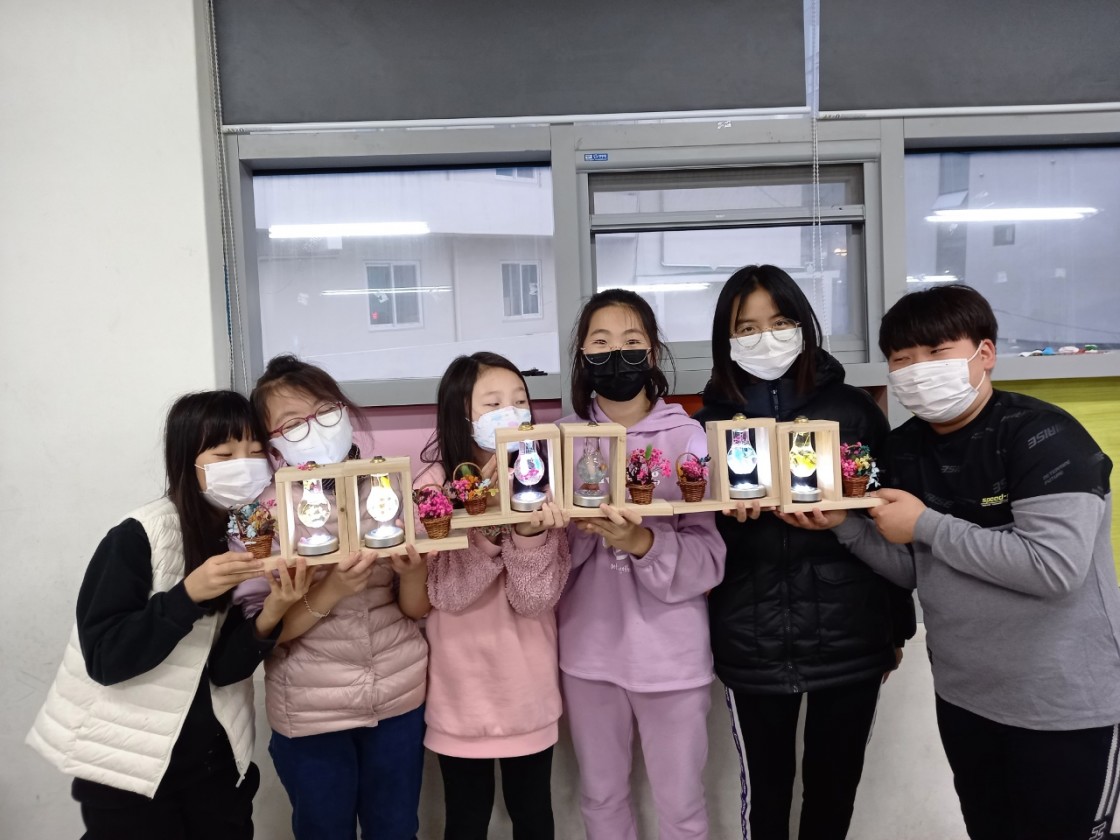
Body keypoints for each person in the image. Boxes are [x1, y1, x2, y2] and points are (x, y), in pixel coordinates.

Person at [789, 284, 1120, 840]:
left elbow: (1053, 569)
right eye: (902, 359)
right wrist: (843, 525)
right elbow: (917, 571)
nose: (918, 369)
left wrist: (925, 524)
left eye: (937, 351)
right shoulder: (904, 449)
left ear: (984, 353)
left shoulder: (1044, 437)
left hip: (1064, 703)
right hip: (966, 698)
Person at [693, 265, 915, 840]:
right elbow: (692, 541)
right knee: (765, 797)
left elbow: (889, 520)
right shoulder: (706, 426)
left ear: (803, 325)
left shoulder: (855, 411)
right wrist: (729, 523)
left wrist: (896, 629)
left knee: (833, 793)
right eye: (747, 328)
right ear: (726, 339)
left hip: (852, 635)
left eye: (780, 321)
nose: (765, 338)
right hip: (751, 638)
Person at [26, 390, 304, 840]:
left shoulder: (251, 532)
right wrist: (187, 596)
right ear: (185, 460)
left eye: (256, 453)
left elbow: (224, 670)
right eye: (224, 454)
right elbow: (105, 659)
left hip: (215, 768)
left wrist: (273, 611)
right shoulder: (139, 535)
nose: (245, 465)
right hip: (130, 772)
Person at [233, 354, 429, 840]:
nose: (315, 428)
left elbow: (416, 609)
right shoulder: (262, 516)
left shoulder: (389, 486)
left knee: (396, 829)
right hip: (310, 712)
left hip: (398, 696)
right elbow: (263, 634)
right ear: (272, 443)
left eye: (324, 410)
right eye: (292, 424)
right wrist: (333, 588)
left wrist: (413, 574)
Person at [558, 289, 726, 840]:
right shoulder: (559, 441)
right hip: (587, 654)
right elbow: (544, 564)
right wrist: (572, 528)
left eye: (632, 341)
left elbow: (708, 558)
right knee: (601, 798)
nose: (616, 354)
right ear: (582, 355)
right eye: (600, 342)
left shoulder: (688, 437)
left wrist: (641, 541)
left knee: (682, 806)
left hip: (672, 657)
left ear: (652, 352)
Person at [418, 351, 570, 840]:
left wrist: (527, 532)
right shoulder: (433, 489)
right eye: (493, 403)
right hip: (460, 695)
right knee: (465, 820)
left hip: (527, 690)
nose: (512, 412)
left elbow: (534, 598)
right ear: (460, 415)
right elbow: (447, 594)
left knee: (533, 815)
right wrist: (484, 524)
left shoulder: (543, 482)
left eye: (520, 400)